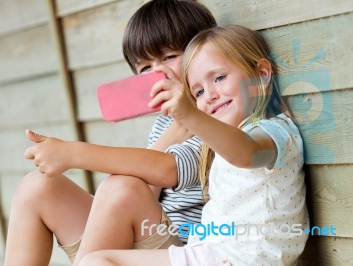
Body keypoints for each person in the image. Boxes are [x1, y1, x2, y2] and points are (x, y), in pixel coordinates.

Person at [3, 1, 216, 265]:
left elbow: (168, 171)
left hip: (181, 250)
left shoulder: (216, 114)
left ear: (204, 51)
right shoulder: (165, 124)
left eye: (170, 56)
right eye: (145, 68)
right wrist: (168, 137)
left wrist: (73, 153)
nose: (158, 72)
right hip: (147, 232)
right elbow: (145, 193)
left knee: (120, 186)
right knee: (36, 187)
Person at [78, 25, 310, 266]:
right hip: (212, 254)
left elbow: (245, 152)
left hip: (234, 259)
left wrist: (190, 115)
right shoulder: (230, 139)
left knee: (97, 261)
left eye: (219, 78)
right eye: (198, 92)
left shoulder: (276, 131)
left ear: (261, 73)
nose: (209, 95)